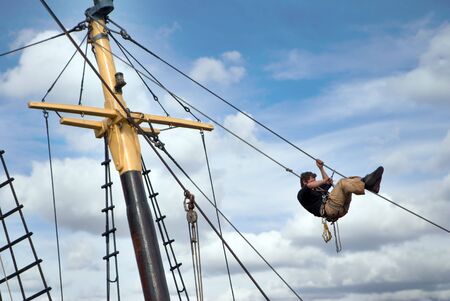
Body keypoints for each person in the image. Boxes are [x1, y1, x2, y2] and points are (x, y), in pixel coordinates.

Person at [297, 159, 383, 221]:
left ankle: (369, 185)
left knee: (348, 181)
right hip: (329, 209)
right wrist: (323, 181)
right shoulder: (302, 194)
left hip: (341, 208)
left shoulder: (318, 189)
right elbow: (310, 185)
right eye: (312, 180)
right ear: (304, 182)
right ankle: (367, 184)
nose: (315, 181)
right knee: (342, 182)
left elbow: (327, 182)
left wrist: (321, 168)